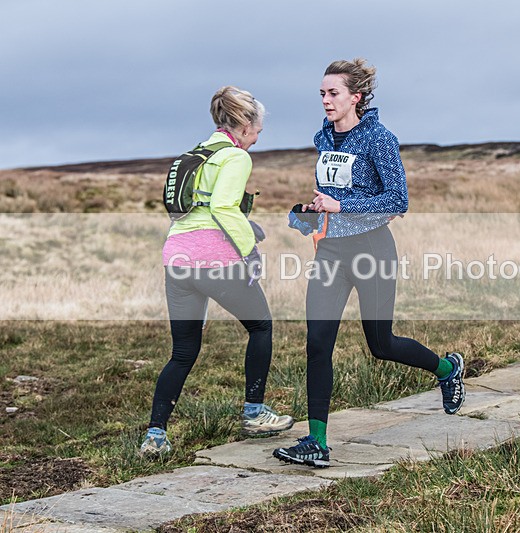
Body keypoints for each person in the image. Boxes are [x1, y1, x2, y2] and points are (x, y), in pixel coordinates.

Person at [272, 59, 465, 468]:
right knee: (317, 344)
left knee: (382, 344)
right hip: (331, 253)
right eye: (322, 94)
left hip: (372, 251)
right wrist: (310, 213)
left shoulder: (379, 138)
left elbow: (397, 201)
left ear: (355, 98)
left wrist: (341, 205)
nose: (325, 100)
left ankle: (446, 368)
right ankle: (318, 442)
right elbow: (329, 194)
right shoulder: (322, 137)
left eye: (333, 93)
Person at [140, 86, 293, 455]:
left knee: (183, 352)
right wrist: (249, 251)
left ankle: (155, 436)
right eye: (257, 130)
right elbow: (224, 208)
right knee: (261, 326)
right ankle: (255, 411)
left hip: (177, 261)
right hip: (215, 261)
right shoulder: (236, 158)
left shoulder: (197, 154)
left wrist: (246, 227)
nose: (257, 138)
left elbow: (199, 211)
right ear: (242, 125)